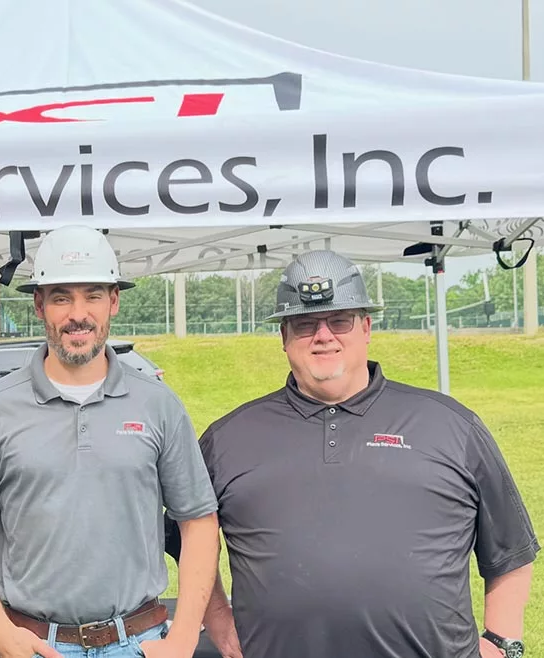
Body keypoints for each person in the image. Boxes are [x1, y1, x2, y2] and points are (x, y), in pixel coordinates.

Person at [197, 250, 539, 658]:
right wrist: (217, 616)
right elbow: (187, 539)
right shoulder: (229, 438)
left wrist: (503, 641)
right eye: (305, 324)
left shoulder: (449, 424)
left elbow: (510, 550)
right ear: (283, 337)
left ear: (367, 327)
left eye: (339, 320)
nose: (324, 335)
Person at [0, 224, 221, 658]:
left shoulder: (158, 405)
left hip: (138, 642)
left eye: (93, 295)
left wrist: (182, 638)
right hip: (32, 644)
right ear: (39, 305)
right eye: (61, 297)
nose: (77, 314)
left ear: (115, 302)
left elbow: (198, 522)